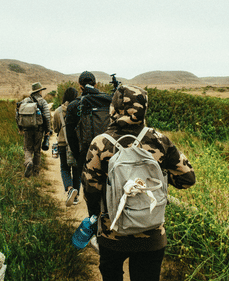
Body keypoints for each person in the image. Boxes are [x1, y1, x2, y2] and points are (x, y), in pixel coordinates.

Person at [82, 85, 196, 280]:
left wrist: (95, 217)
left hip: (112, 235)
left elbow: (91, 189)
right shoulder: (160, 140)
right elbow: (187, 179)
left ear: (114, 108)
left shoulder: (101, 143)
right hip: (151, 234)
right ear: (144, 108)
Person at [65, 71, 112, 206]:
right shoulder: (108, 100)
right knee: (109, 188)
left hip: (85, 154)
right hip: (109, 151)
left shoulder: (74, 105)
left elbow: (70, 135)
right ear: (95, 84)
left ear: (80, 86)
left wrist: (78, 155)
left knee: (91, 193)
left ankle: (94, 220)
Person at [52, 87, 81, 206]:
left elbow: (55, 128)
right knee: (77, 170)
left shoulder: (58, 111)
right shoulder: (79, 109)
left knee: (64, 168)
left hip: (63, 143)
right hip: (76, 144)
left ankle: (69, 190)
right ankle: (76, 197)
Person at [16, 82, 52, 177]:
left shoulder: (25, 101)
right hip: (38, 129)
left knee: (27, 148)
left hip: (27, 129)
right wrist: (48, 130)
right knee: (37, 151)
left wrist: (20, 128)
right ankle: (35, 172)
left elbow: (18, 115)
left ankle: (28, 162)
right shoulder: (42, 102)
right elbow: (47, 117)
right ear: (40, 91)